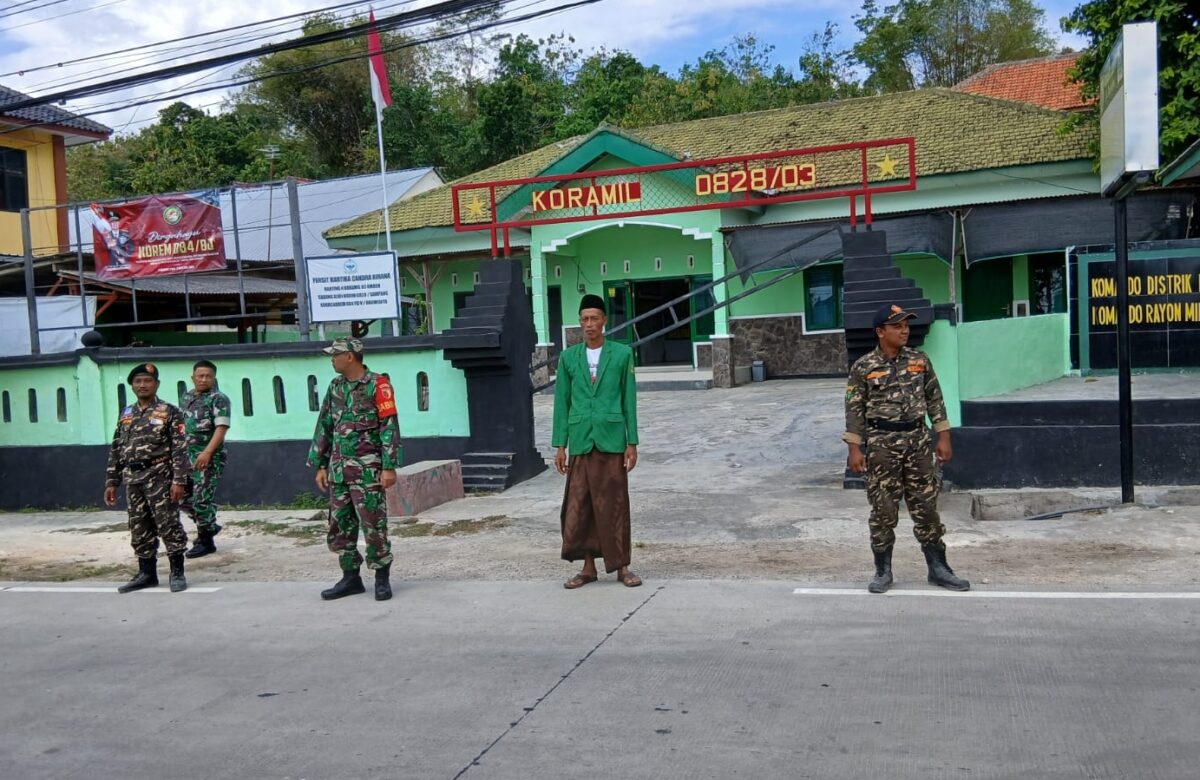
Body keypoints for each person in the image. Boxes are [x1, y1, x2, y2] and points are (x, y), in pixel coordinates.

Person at [844, 304, 970, 594]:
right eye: (897, 326)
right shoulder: (863, 367)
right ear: (880, 332)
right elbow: (853, 410)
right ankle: (882, 571)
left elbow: (935, 399)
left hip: (918, 443)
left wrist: (944, 436)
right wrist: (854, 448)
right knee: (883, 509)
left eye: (906, 325)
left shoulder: (919, 361)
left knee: (926, 506)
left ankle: (938, 568)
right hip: (881, 445)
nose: (904, 331)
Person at [552, 293, 641, 589]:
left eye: (593, 319)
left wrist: (632, 442)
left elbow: (629, 400)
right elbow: (562, 403)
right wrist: (560, 445)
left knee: (615, 504)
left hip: (612, 440)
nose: (588, 324)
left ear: (604, 321)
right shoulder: (568, 358)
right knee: (581, 505)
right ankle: (588, 568)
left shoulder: (622, 354)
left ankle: (622, 567)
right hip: (580, 441)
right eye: (584, 319)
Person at [307, 338, 402, 601]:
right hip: (339, 470)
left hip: (368, 471)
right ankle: (350, 578)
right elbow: (325, 425)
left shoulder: (378, 385)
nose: (331, 359)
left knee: (373, 524)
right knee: (339, 525)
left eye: (335, 355)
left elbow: (389, 427)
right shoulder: (335, 386)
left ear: (350, 356)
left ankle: (381, 578)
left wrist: (389, 466)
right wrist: (320, 464)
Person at [103, 363, 191, 593]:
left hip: (160, 476)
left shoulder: (170, 412)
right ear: (132, 386)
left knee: (168, 523)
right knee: (138, 526)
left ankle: (177, 572)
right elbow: (117, 448)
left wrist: (179, 480)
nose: (142, 385)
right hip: (133, 478)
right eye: (137, 381)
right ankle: (147, 574)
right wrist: (112, 481)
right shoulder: (126, 413)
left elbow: (180, 448)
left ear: (157, 384)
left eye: (147, 381)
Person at [180, 359, 231, 558]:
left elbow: (221, 428)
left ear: (214, 378)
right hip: (187, 456)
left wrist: (207, 453)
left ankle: (206, 542)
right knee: (181, 496)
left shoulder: (219, 399)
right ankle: (209, 525)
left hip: (209, 457)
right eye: (200, 376)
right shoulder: (187, 397)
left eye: (208, 376)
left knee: (201, 499)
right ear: (192, 377)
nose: (204, 379)